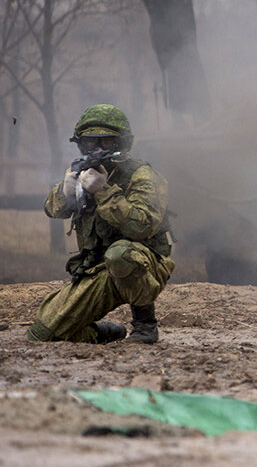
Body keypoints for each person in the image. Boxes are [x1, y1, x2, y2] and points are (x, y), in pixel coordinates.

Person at [27, 104, 175, 344]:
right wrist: (66, 191)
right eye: (89, 142)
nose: (96, 148)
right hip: (98, 270)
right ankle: (106, 332)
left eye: (106, 142)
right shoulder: (83, 171)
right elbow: (52, 210)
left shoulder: (143, 175)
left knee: (121, 254)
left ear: (121, 142)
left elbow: (142, 226)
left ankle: (145, 326)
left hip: (143, 265)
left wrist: (104, 191)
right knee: (41, 333)